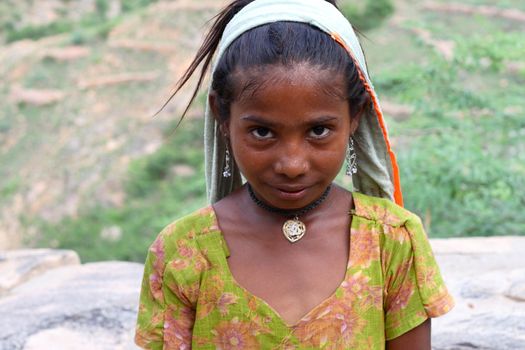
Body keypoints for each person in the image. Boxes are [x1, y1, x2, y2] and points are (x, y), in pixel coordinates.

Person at [134, 0, 454, 348]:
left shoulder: (392, 241)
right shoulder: (183, 252)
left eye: (318, 130)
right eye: (262, 132)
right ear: (222, 116)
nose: (292, 165)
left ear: (355, 115)